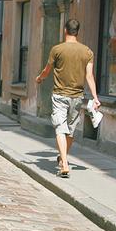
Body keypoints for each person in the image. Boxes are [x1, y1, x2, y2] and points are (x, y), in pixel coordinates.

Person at [36, 19, 100, 178]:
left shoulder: (57, 49)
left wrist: (40, 78)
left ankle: (64, 163)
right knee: (70, 131)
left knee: (60, 128)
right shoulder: (87, 52)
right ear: (78, 31)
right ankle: (63, 159)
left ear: (65, 30)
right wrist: (95, 97)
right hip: (77, 97)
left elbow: (47, 70)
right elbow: (89, 76)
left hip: (59, 95)